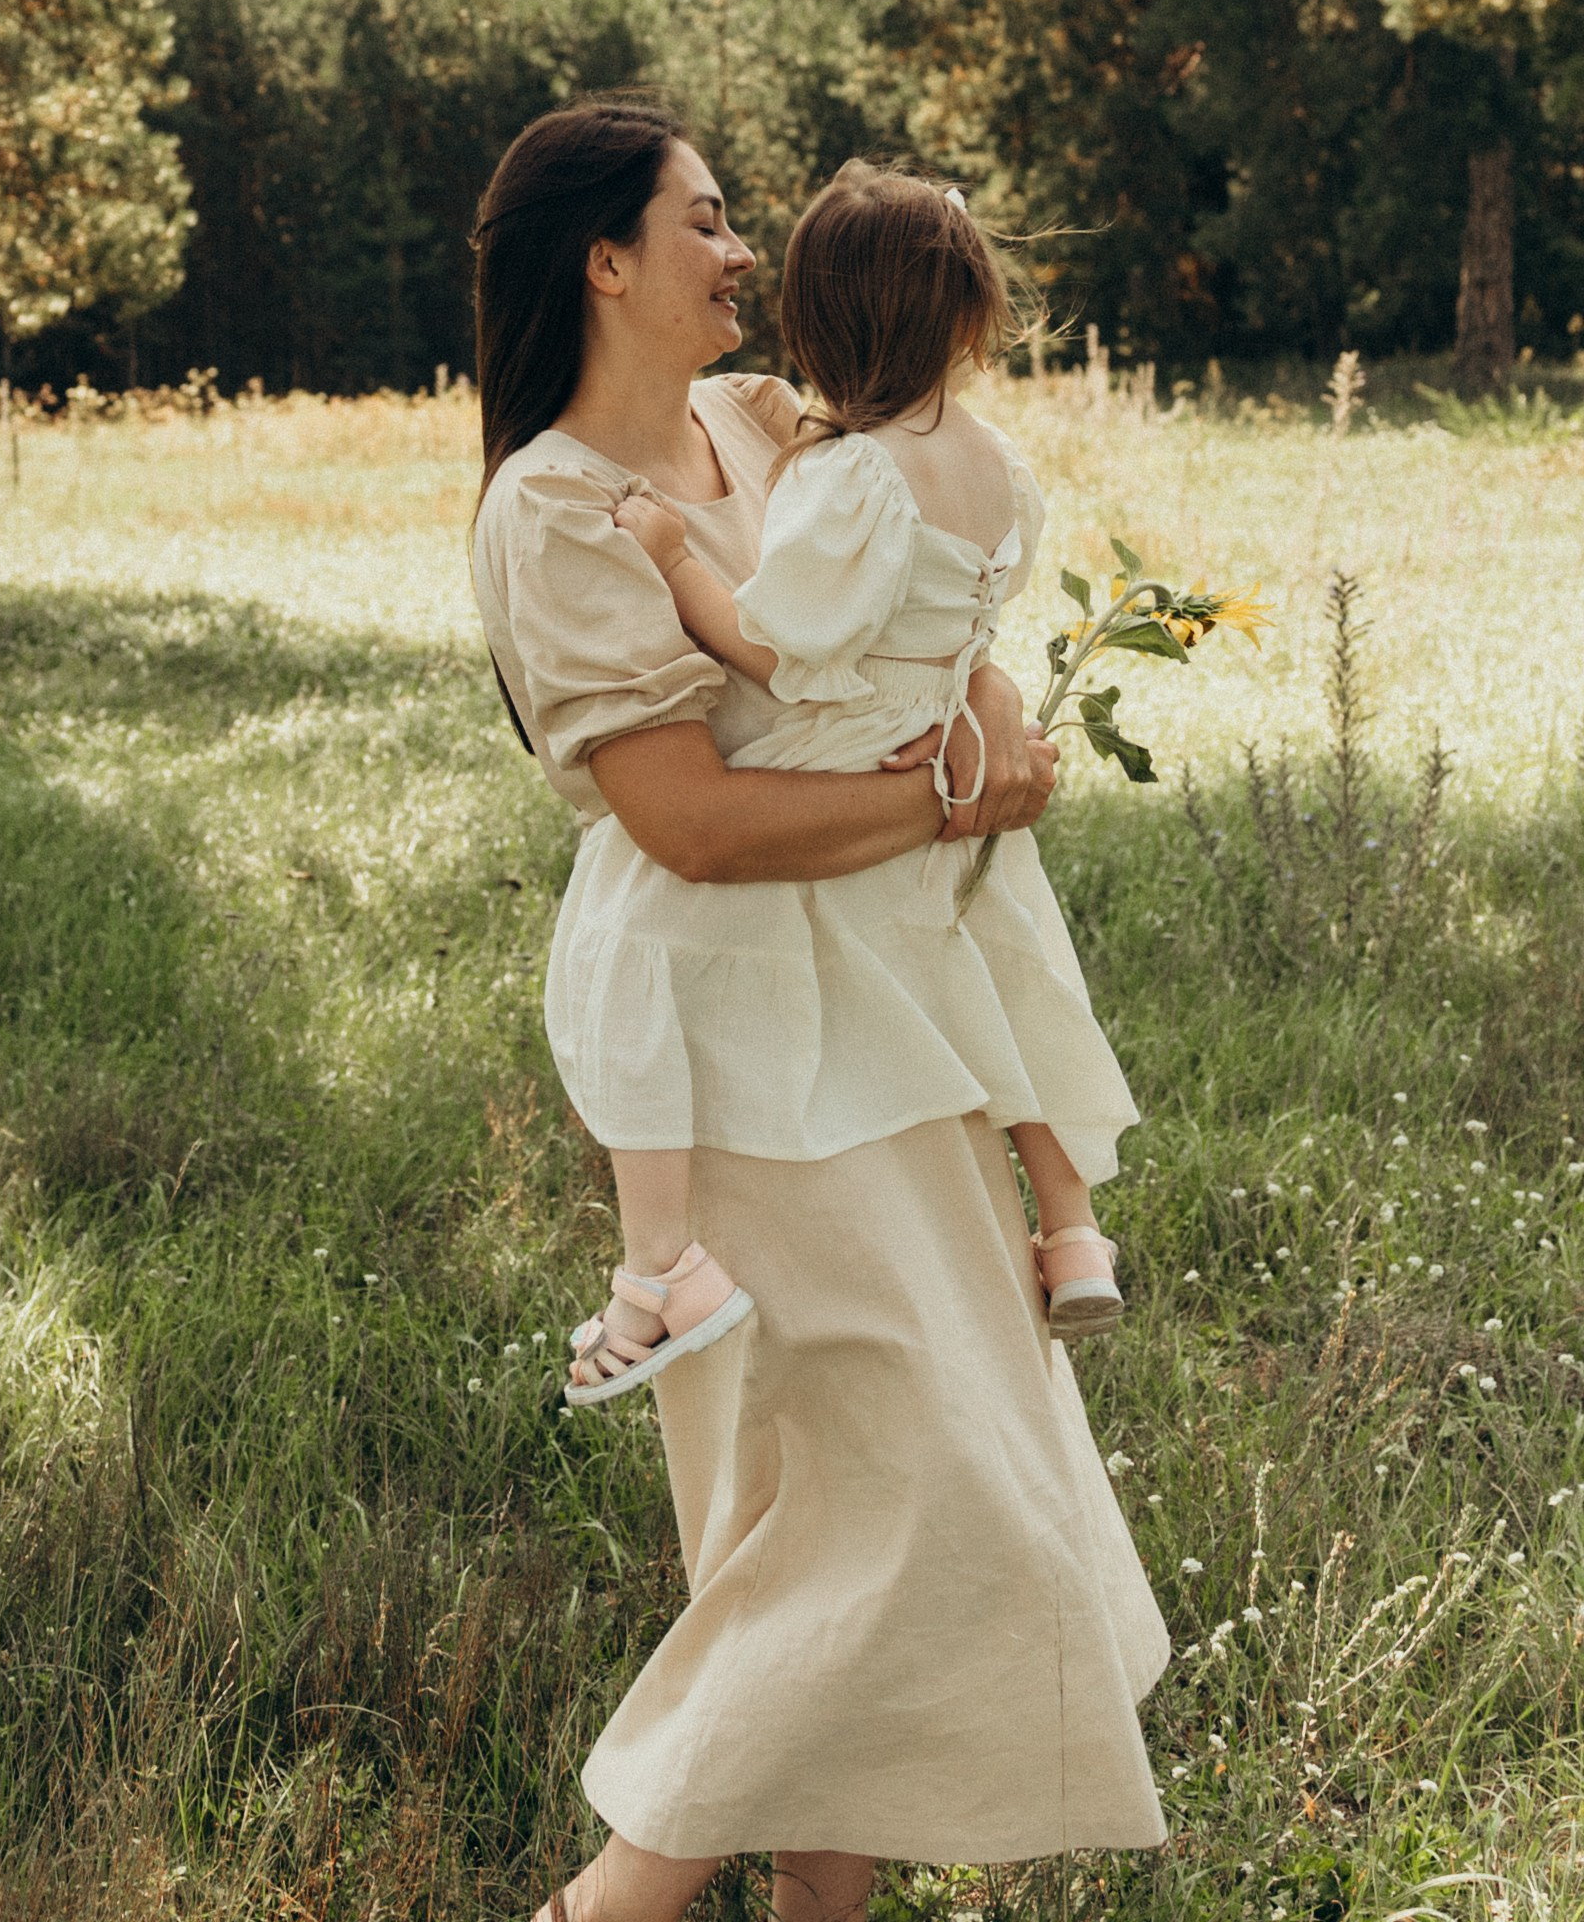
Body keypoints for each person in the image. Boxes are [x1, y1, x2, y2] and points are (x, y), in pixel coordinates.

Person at [467, 100, 1166, 1922]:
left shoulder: (755, 419)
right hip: (737, 1037)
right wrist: (948, 798)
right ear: (603, 257)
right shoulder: (551, 508)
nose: (742, 252)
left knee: (862, 1489)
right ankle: (608, 1905)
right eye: (704, 221)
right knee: (893, 1503)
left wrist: (994, 706)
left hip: (895, 990)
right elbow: (687, 819)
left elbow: (899, 592)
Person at [589, 157, 1134, 1398]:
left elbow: (780, 649)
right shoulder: (1001, 464)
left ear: (826, 326)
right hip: (942, 735)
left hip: (846, 746)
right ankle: (1070, 1228)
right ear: (970, 311)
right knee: (1002, 977)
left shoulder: (854, 476)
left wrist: (674, 557)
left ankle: (658, 1267)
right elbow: (967, 622)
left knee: (646, 946)